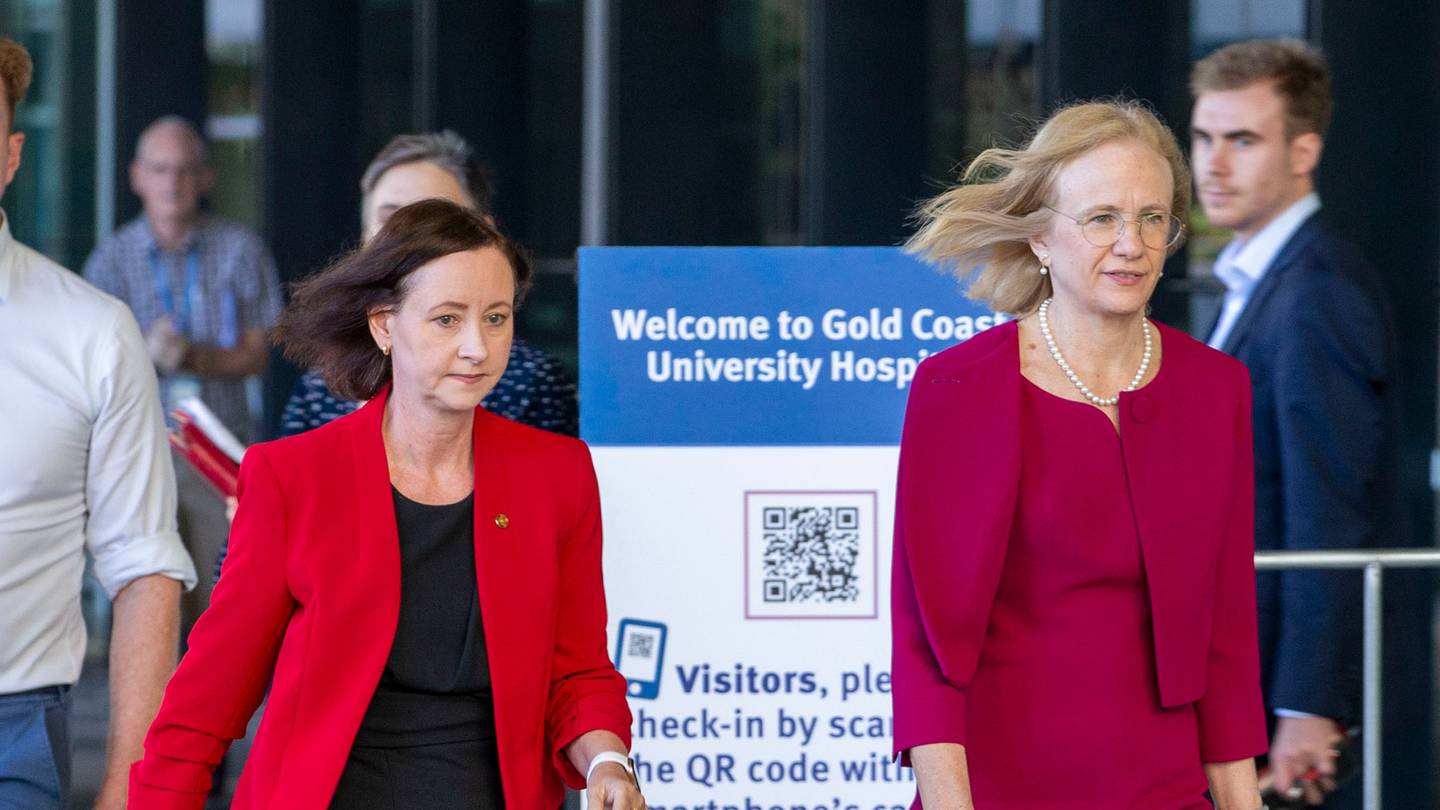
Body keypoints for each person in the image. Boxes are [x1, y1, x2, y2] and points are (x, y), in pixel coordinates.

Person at [129, 199, 642, 809]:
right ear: (383, 325)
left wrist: (610, 762)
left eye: (497, 318)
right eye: (448, 320)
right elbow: (206, 703)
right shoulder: (293, 477)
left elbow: (578, 671)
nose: (478, 347)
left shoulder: (558, 474)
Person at [893, 100, 1267, 809]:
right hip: (1000, 791)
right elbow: (924, 646)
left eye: (1153, 218)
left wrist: (1245, 804)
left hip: (1167, 791)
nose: (1131, 243)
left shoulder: (1217, 390)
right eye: (1101, 218)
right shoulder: (957, 389)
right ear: (1040, 238)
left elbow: (1226, 633)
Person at [1191, 39, 1398, 807]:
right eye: (1205, 137)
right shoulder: (1258, 278)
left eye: (1242, 140)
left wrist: (1308, 705)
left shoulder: (1317, 290)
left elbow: (1329, 509)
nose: (1214, 164)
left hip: (1285, 694)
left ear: (1304, 149)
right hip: (1244, 674)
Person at [0, 37, 196, 810]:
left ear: (12, 156)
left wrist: (128, 787)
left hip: (14, 728)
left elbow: (143, 564)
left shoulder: (94, 331)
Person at [83, 115, 283, 633]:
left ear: (206, 178)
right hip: (140, 450)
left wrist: (193, 357)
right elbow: (88, 366)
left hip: (218, 450)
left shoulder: (241, 249)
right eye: (160, 169)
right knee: (150, 599)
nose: (172, 182)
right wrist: (142, 353)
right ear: (136, 177)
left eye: (185, 169)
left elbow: (260, 354)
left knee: (223, 596)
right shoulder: (112, 259)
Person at [281, 130, 578, 438]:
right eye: (390, 219)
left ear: (484, 230)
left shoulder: (531, 382)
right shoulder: (319, 388)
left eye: (436, 219)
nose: (410, 239)